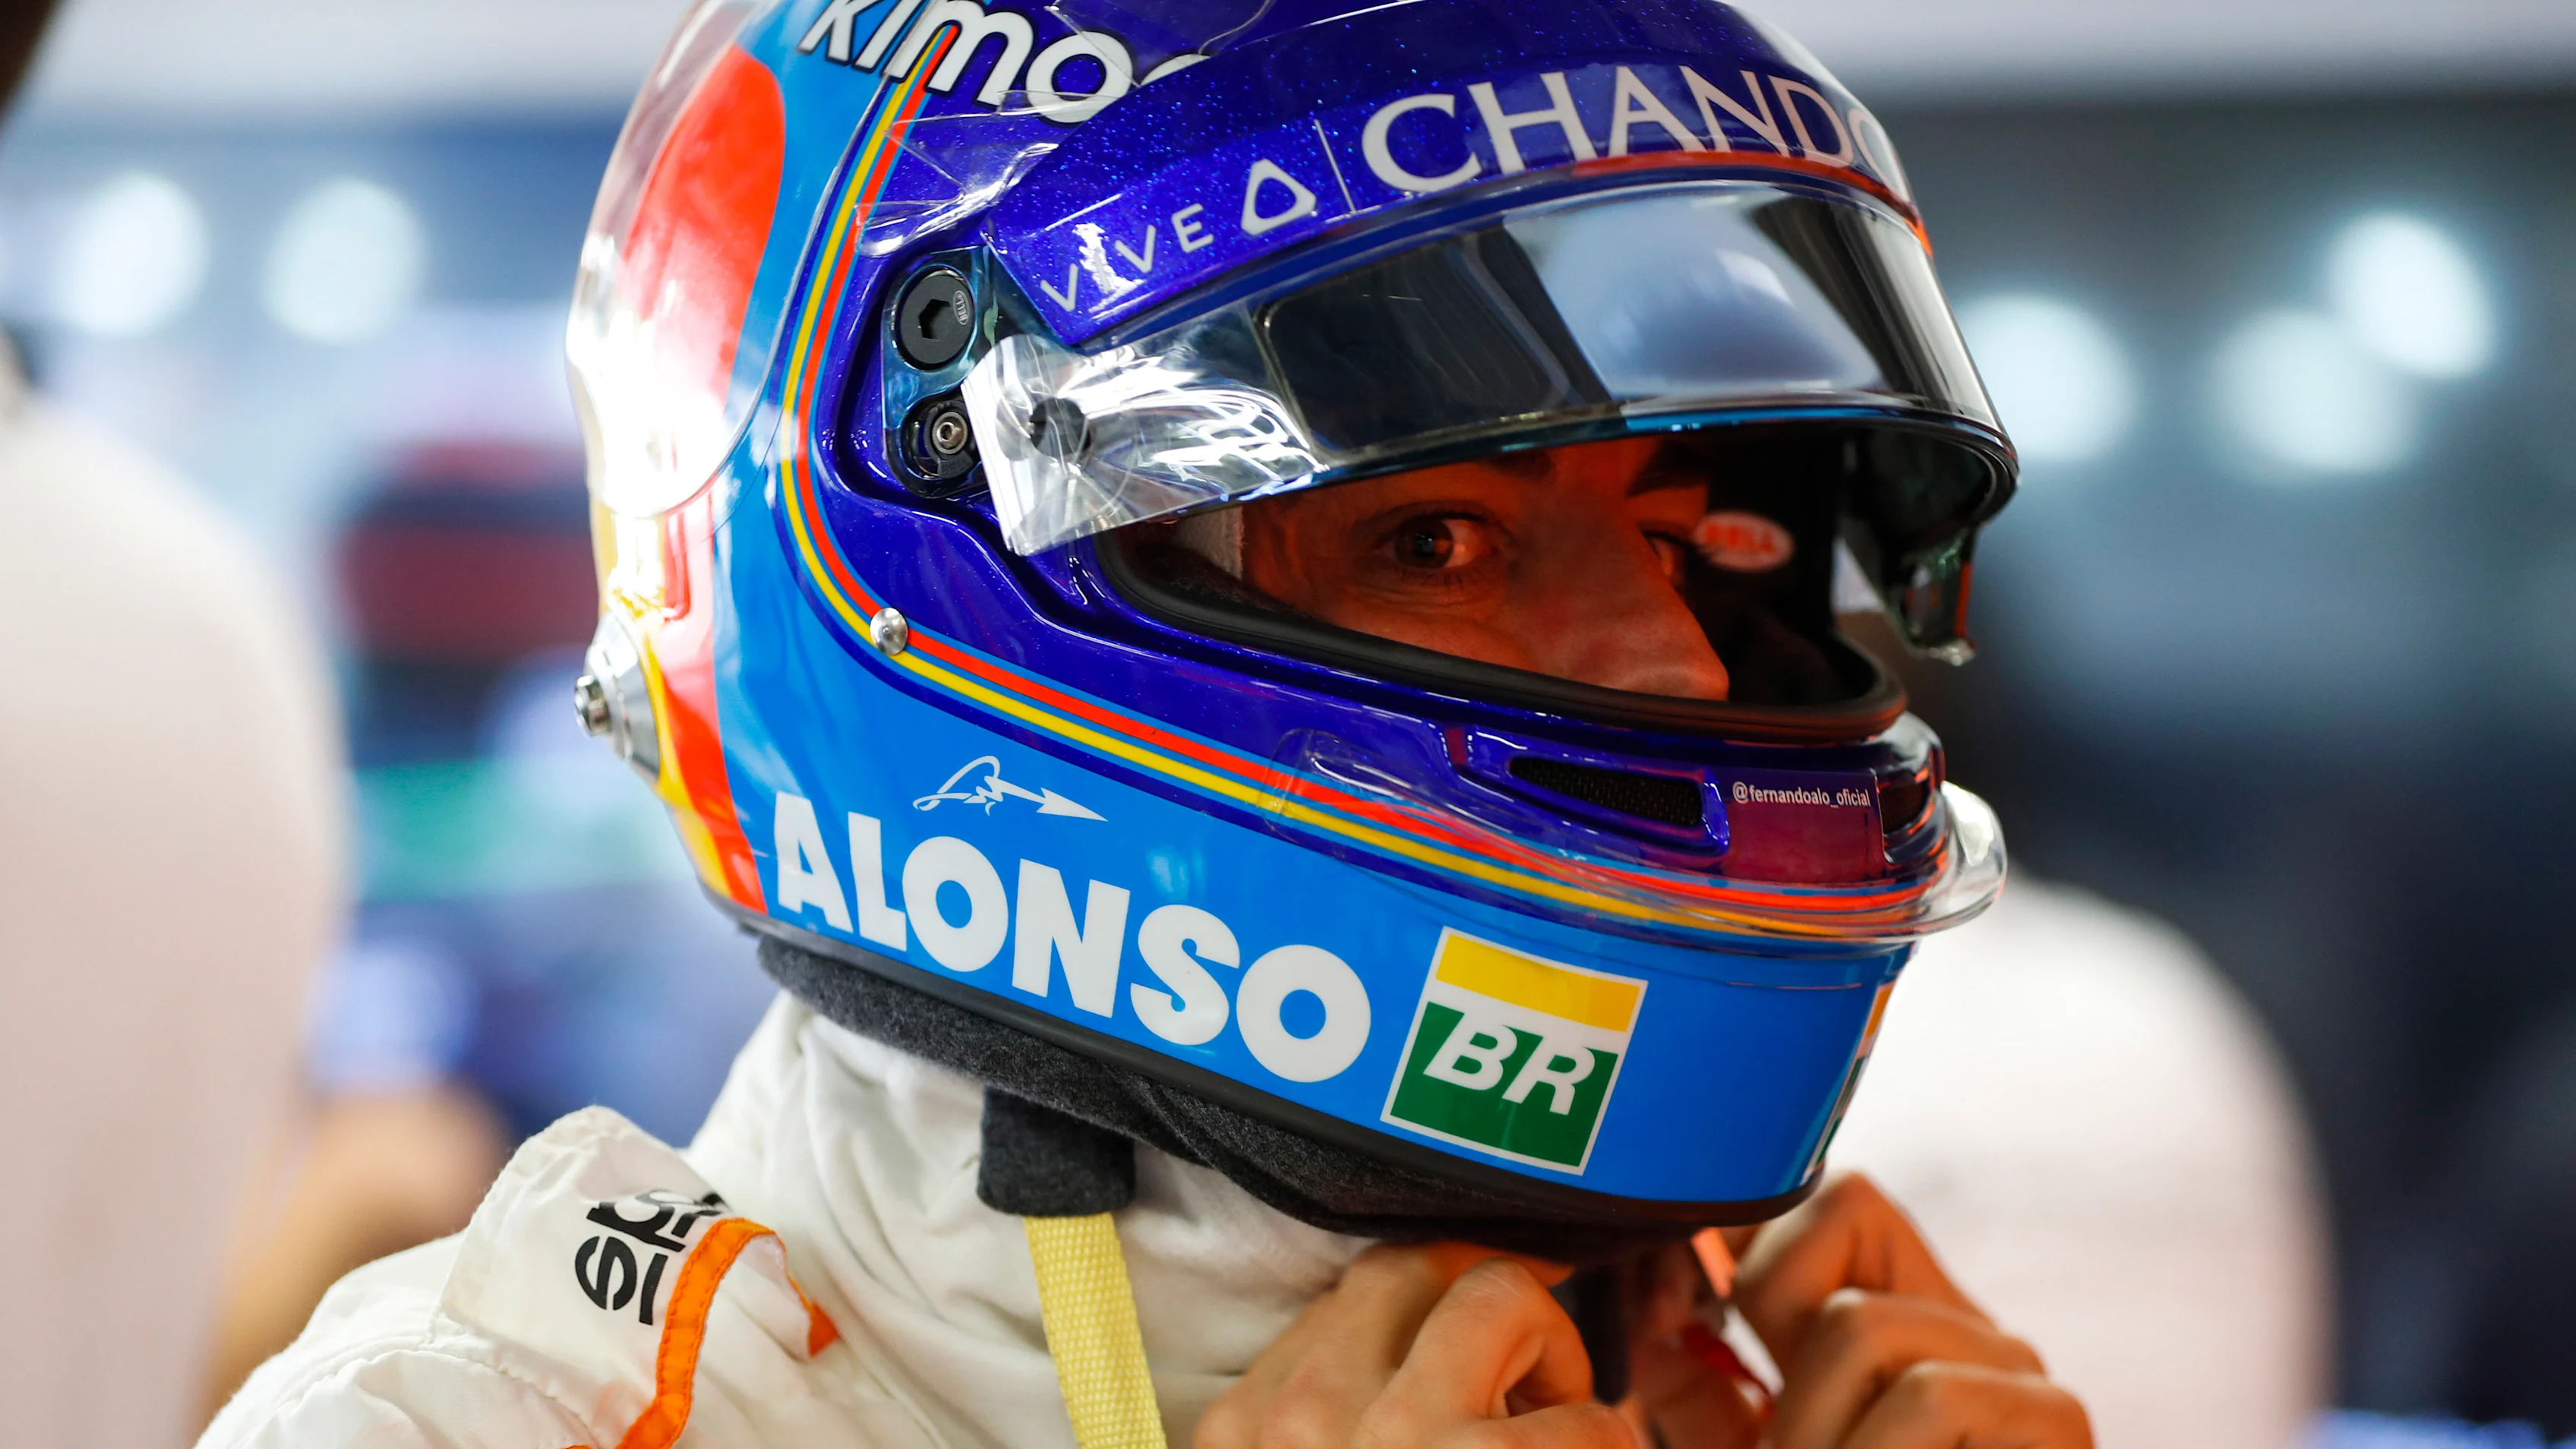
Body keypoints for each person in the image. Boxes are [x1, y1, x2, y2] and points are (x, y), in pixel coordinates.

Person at [204, 2, 2091, 1444]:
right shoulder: (466, 1424)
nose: (1679, 666)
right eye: (1436, 538)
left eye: (1684, 542)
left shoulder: (1741, 1378)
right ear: (922, 547)